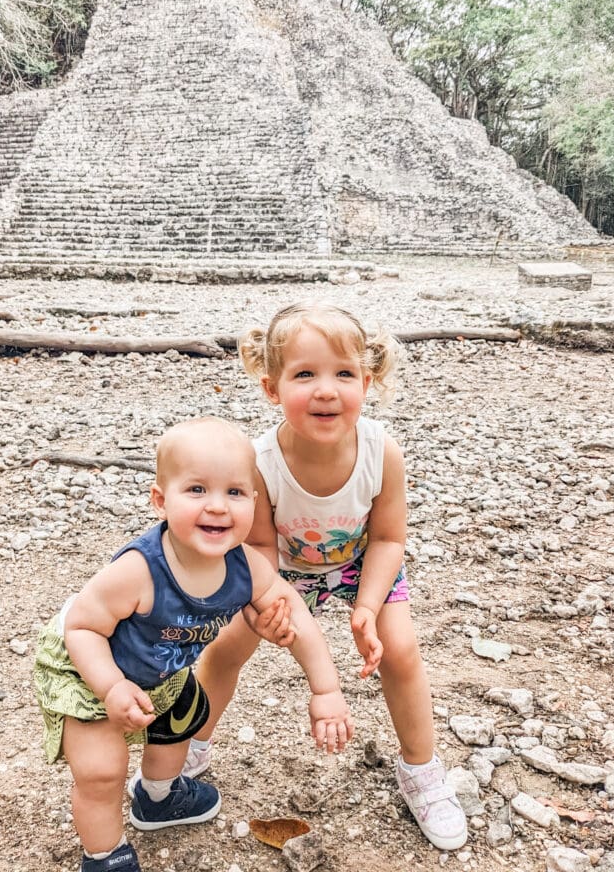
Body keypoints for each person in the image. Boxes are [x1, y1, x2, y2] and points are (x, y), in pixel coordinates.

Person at [151, 302, 467, 851]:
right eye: (305, 374)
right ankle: (189, 748)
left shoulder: (381, 451)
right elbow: (260, 550)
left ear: (367, 382)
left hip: (361, 563)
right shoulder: (261, 461)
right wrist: (264, 608)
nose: (326, 390)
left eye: (343, 374)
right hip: (281, 566)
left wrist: (366, 607)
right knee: (225, 648)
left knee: (400, 649)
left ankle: (421, 769)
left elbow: (390, 539)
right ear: (272, 388)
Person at [33, 416, 354, 872]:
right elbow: (83, 628)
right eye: (198, 490)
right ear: (161, 501)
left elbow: (294, 613)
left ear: (255, 503)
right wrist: (110, 687)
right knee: (102, 770)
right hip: (87, 665)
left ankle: (158, 798)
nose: (218, 507)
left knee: (178, 723)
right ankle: (104, 856)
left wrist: (326, 690)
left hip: (160, 667)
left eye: (235, 493)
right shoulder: (138, 571)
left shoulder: (246, 567)